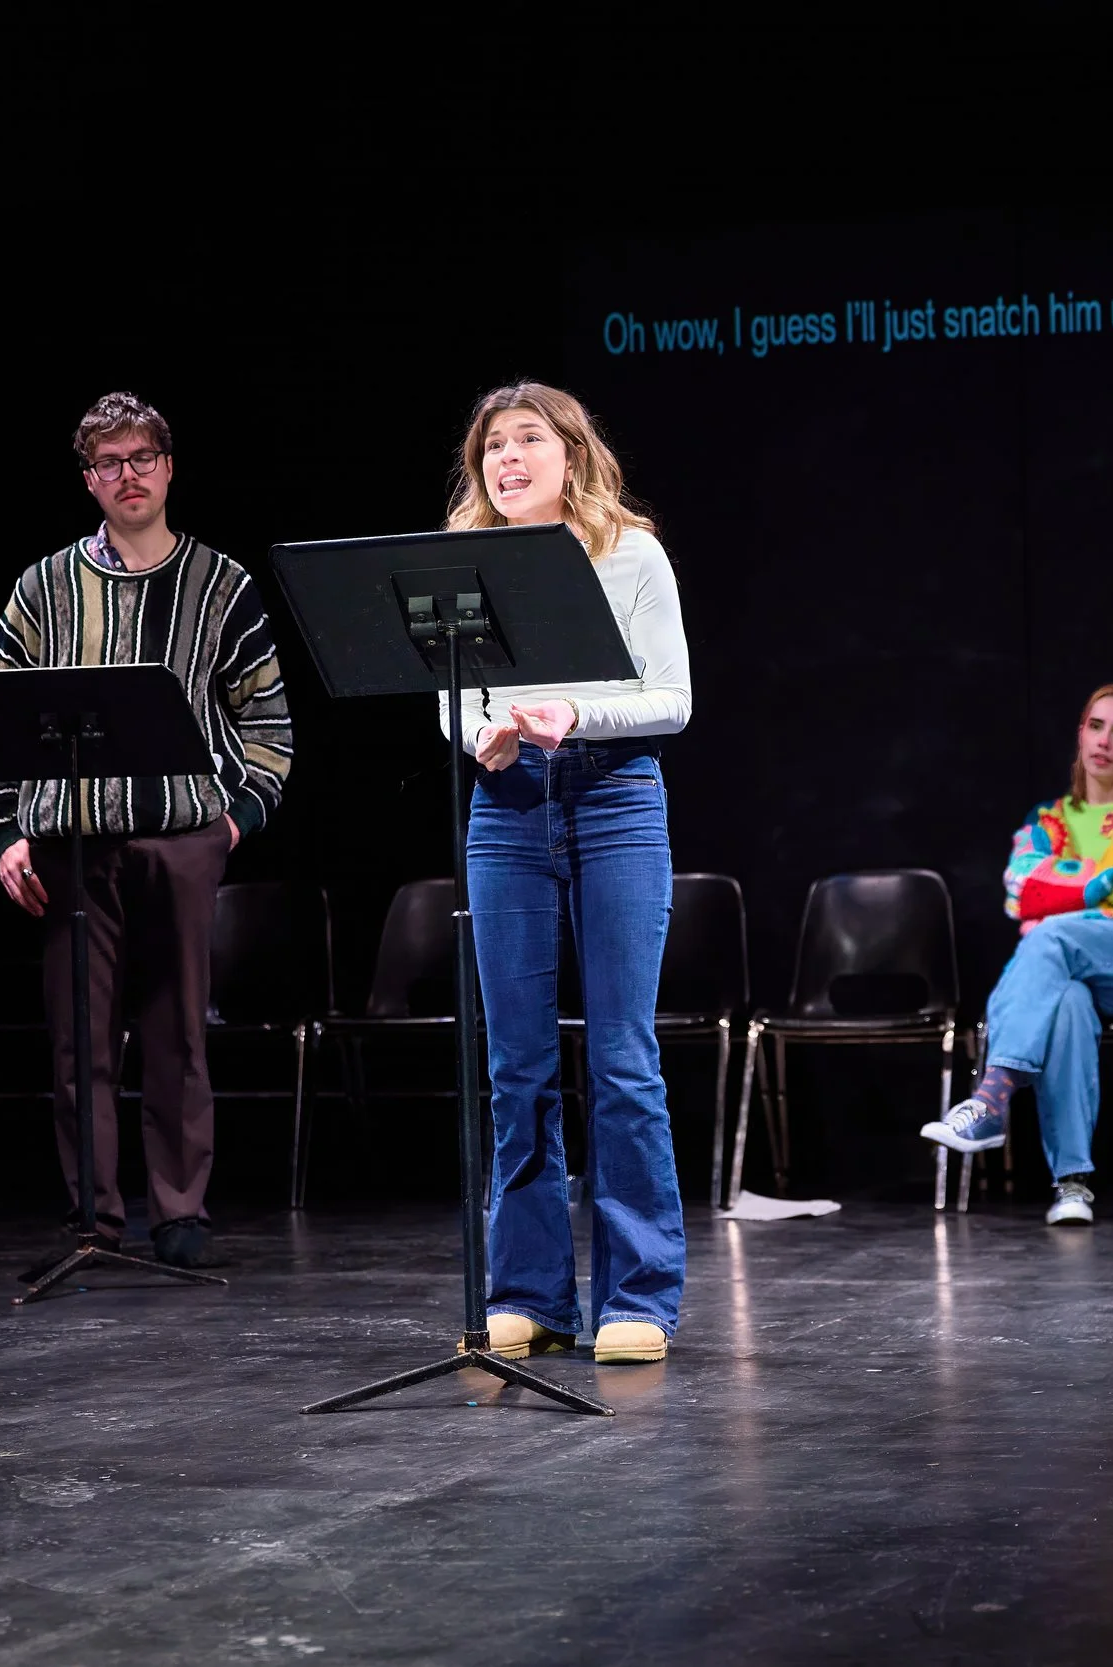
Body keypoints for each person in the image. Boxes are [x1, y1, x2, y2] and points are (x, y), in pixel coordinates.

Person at [0, 391, 294, 1275]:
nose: (128, 476)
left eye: (141, 457)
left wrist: (233, 819)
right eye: (110, 463)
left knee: (178, 1032)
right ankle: (94, 1219)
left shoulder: (221, 585)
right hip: (72, 848)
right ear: (89, 481)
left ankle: (181, 1212)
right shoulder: (43, 588)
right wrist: (6, 832)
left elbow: (268, 725)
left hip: (182, 840)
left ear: (169, 466)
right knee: (80, 1041)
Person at [445, 382, 690, 1365]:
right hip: (505, 804)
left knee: (622, 1054)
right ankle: (530, 1292)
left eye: (527, 439)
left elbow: (671, 697)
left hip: (613, 796)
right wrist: (482, 734)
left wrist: (575, 716)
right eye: (493, 446)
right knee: (517, 1065)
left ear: (571, 455)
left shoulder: (628, 552)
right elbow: (447, 695)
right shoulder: (464, 565)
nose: (508, 458)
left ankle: (638, 1293)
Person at [921, 681, 1113, 1225]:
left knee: (1049, 938)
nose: (1104, 741)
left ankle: (990, 1098)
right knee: (1069, 1001)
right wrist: (1102, 884)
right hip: (1073, 972)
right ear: (1080, 733)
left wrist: (1070, 895)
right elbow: (1022, 891)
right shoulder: (1048, 818)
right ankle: (1072, 1184)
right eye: (1095, 726)